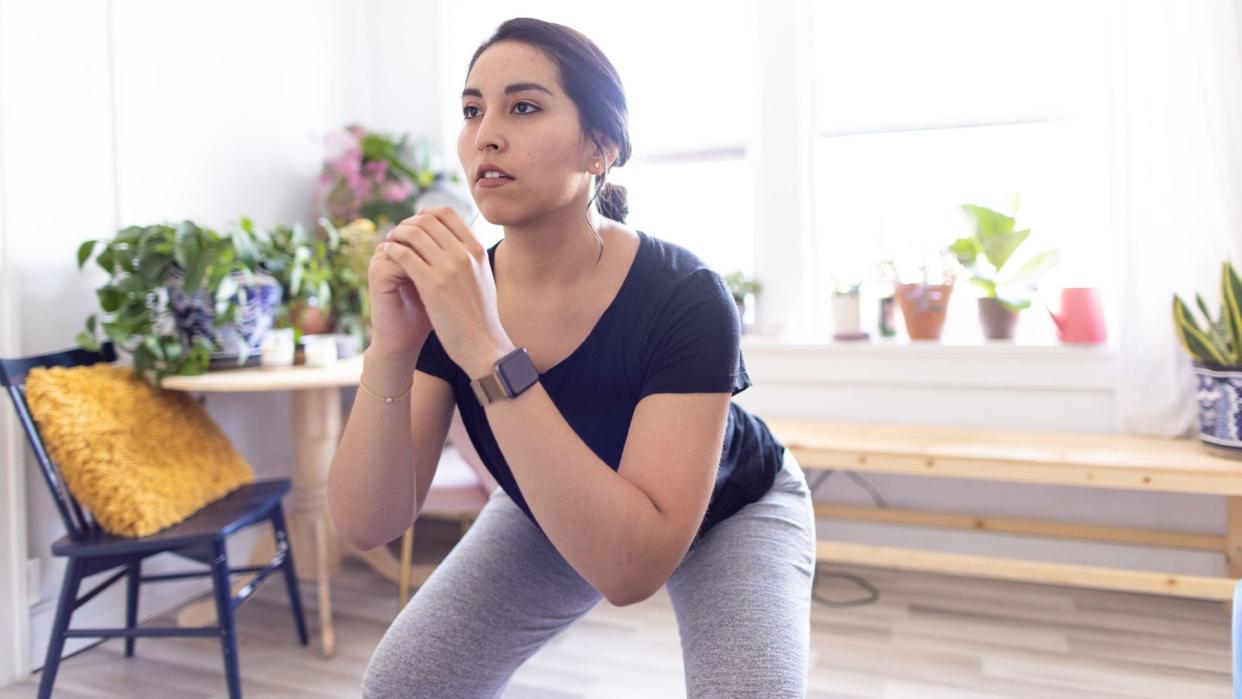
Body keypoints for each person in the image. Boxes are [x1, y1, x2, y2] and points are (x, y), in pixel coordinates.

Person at [327, 17, 816, 698]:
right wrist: (391, 348)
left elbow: (629, 569)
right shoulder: (451, 294)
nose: (485, 134)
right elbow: (366, 521)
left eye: (523, 107)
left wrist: (485, 346)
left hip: (732, 511)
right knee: (408, 683)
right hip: (557, 498)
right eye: (472, 111)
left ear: (601, 148)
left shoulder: (685, 294)